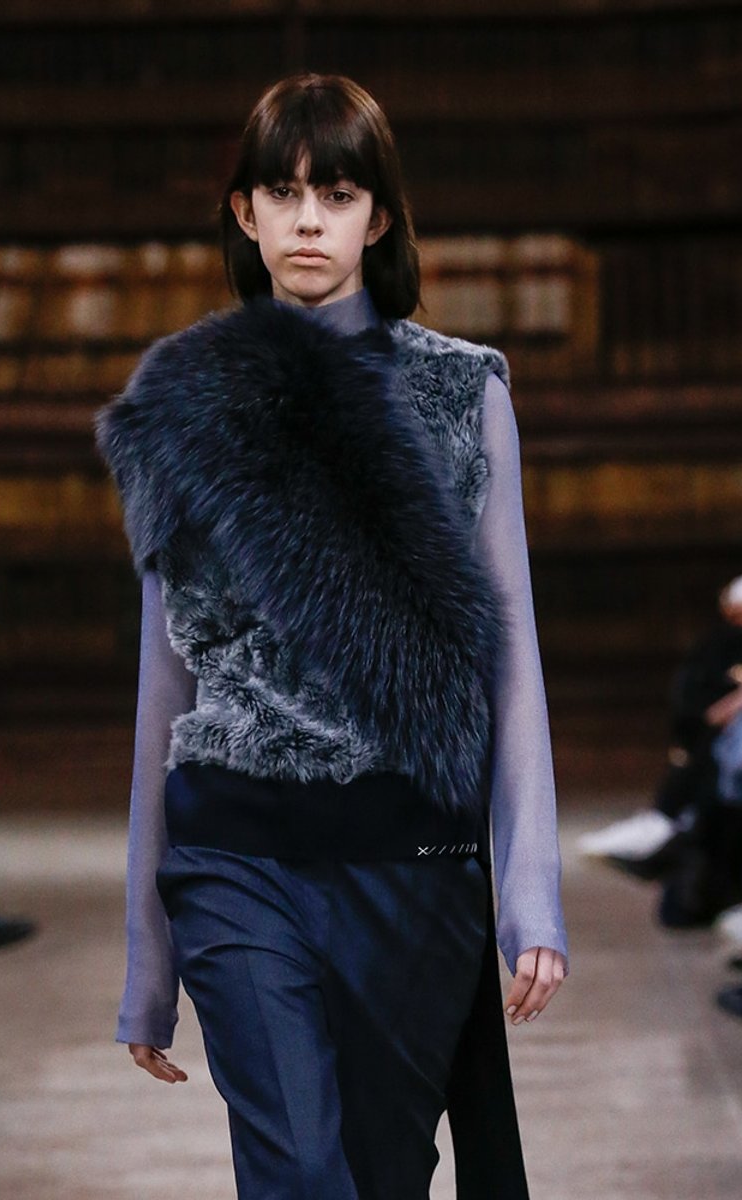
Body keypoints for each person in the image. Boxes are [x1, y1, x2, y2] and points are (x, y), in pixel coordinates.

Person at [98, 74, 567, 1200]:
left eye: (339, 194)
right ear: (244, 212)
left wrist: (531, 891)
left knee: (379, 1177)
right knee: (299, 1170)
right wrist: (148, 955)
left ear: (381, 217)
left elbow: (509, 656)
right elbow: (166, 682)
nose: (309, 221)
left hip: (409, 865)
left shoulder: (461, 394)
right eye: (283, 192)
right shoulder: (182, 402)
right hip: (235, 854)